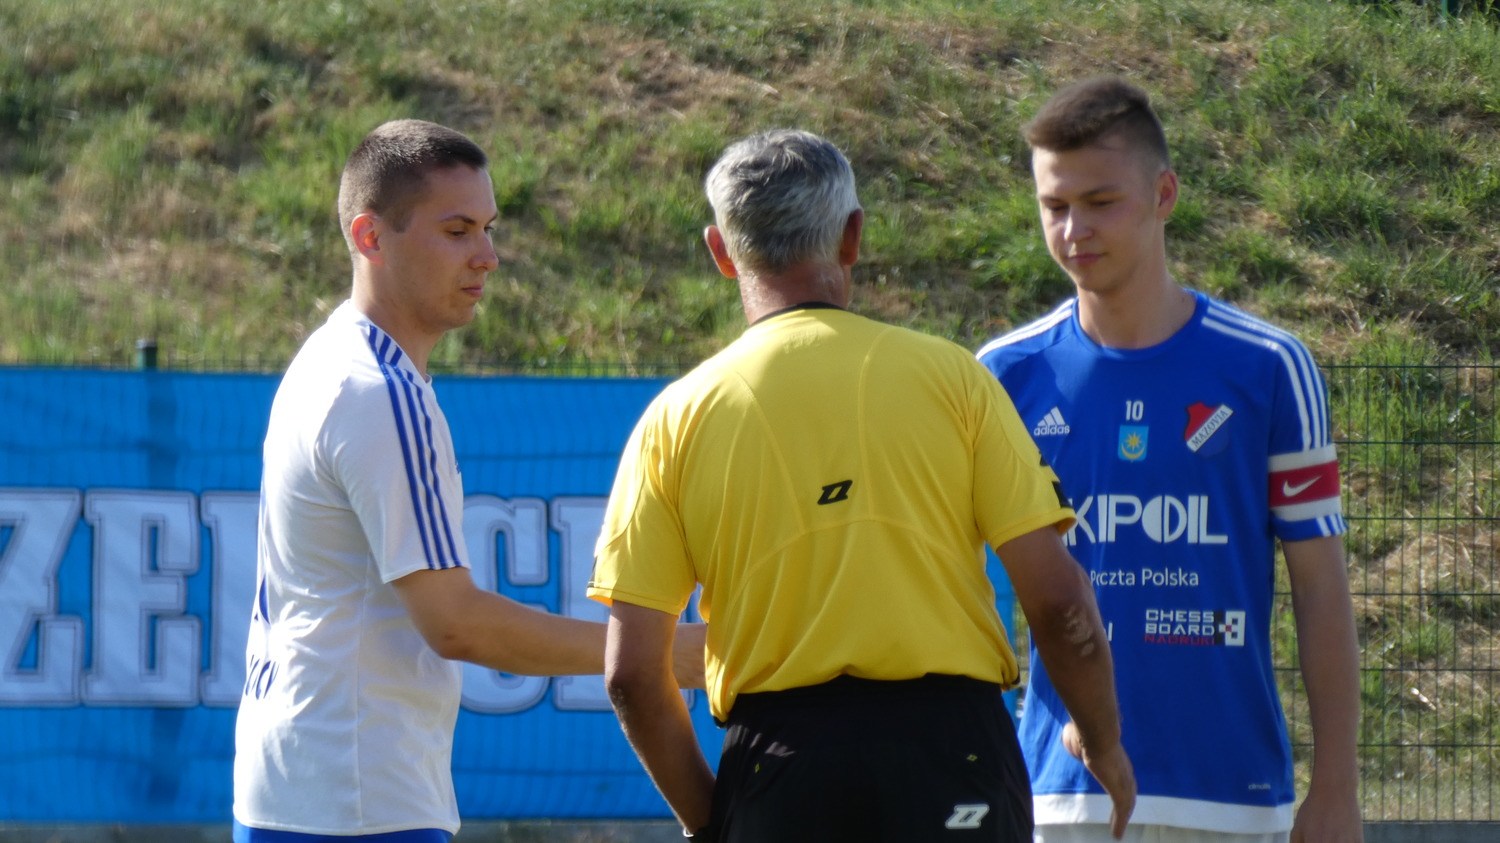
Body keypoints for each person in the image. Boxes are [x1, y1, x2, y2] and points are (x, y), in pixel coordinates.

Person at [588, 129, 1136, 843]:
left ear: (721, 252)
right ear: (853, 237)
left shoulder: (675, 419)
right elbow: (1060, 604)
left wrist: (715, 823)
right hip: (954, 753)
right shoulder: (953, 379)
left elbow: (632, 676)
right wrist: (1101, 739)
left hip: (778, 767)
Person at [232, 118, 704, 843]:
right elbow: (455, 623)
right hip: (356, 801)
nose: (487, 255)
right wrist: (668, 655)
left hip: (305, 784)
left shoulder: (335, 358)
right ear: (370, 237)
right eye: (457, 231)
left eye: (488, 228)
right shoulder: (377, 391)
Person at [976, 77, 1363, 843]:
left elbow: (1321, 586)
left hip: (1230, 799)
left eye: (1100, 201)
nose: (1074, 229)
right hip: (1061, 799)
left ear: (1164, 195)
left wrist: (1337, 789)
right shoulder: (1002, 375)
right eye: (1055, 206)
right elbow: (964, 590)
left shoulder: (1268, 367)